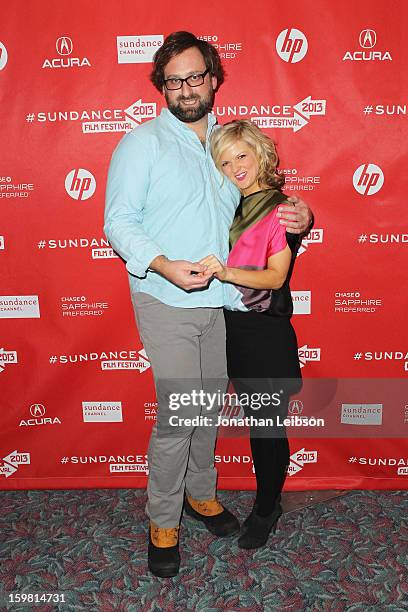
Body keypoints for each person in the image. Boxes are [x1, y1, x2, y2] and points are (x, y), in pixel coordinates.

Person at [104, 31, 312, 577]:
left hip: (224, 303)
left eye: (195, 76)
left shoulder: (226, 143)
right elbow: (118, 222)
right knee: (179, 414)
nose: (186, 88)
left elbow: (263, 197)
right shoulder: (141, 142)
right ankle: (162, 518)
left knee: (204, 407)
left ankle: (200, 495)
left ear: (214, 79)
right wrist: (163, 263)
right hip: (165, 298)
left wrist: (300, 216)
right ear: (162, 87)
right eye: (174, 81)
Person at [201, 119, 303, 549]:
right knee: (258, 424)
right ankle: (267, 501)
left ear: (261, 152)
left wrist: (225, 271)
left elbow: (277, 277)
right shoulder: (230, 206)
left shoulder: (279, 208)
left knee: (267, 429)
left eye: (241, 155)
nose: (234, 166)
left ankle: (266, 509)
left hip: (264, 334)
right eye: (224, 161)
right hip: (234, 331)